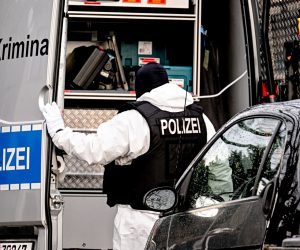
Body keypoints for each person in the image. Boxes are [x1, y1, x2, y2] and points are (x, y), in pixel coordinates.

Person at [43, 62, 216, 250]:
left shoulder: (134, 120)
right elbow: (216, 168)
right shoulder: (202, 119)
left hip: (140, 225)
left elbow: (94, 149)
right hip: (187, 223)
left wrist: (60, 133)